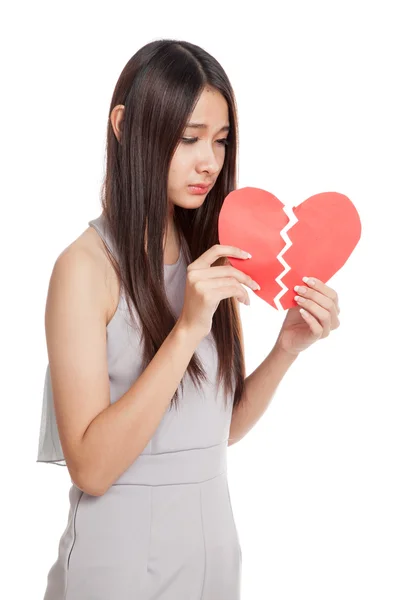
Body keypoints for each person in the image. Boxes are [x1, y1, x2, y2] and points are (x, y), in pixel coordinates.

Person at [36, 39, 341, 600]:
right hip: (118, 559)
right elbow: (93, 470)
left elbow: (213, 431)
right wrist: (186, 330)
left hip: (212, 550)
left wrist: (286, 348)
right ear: (125, 127)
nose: (211, 161)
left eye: (221, 141)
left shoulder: (213, 251)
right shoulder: (84, 268)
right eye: (189, 138)